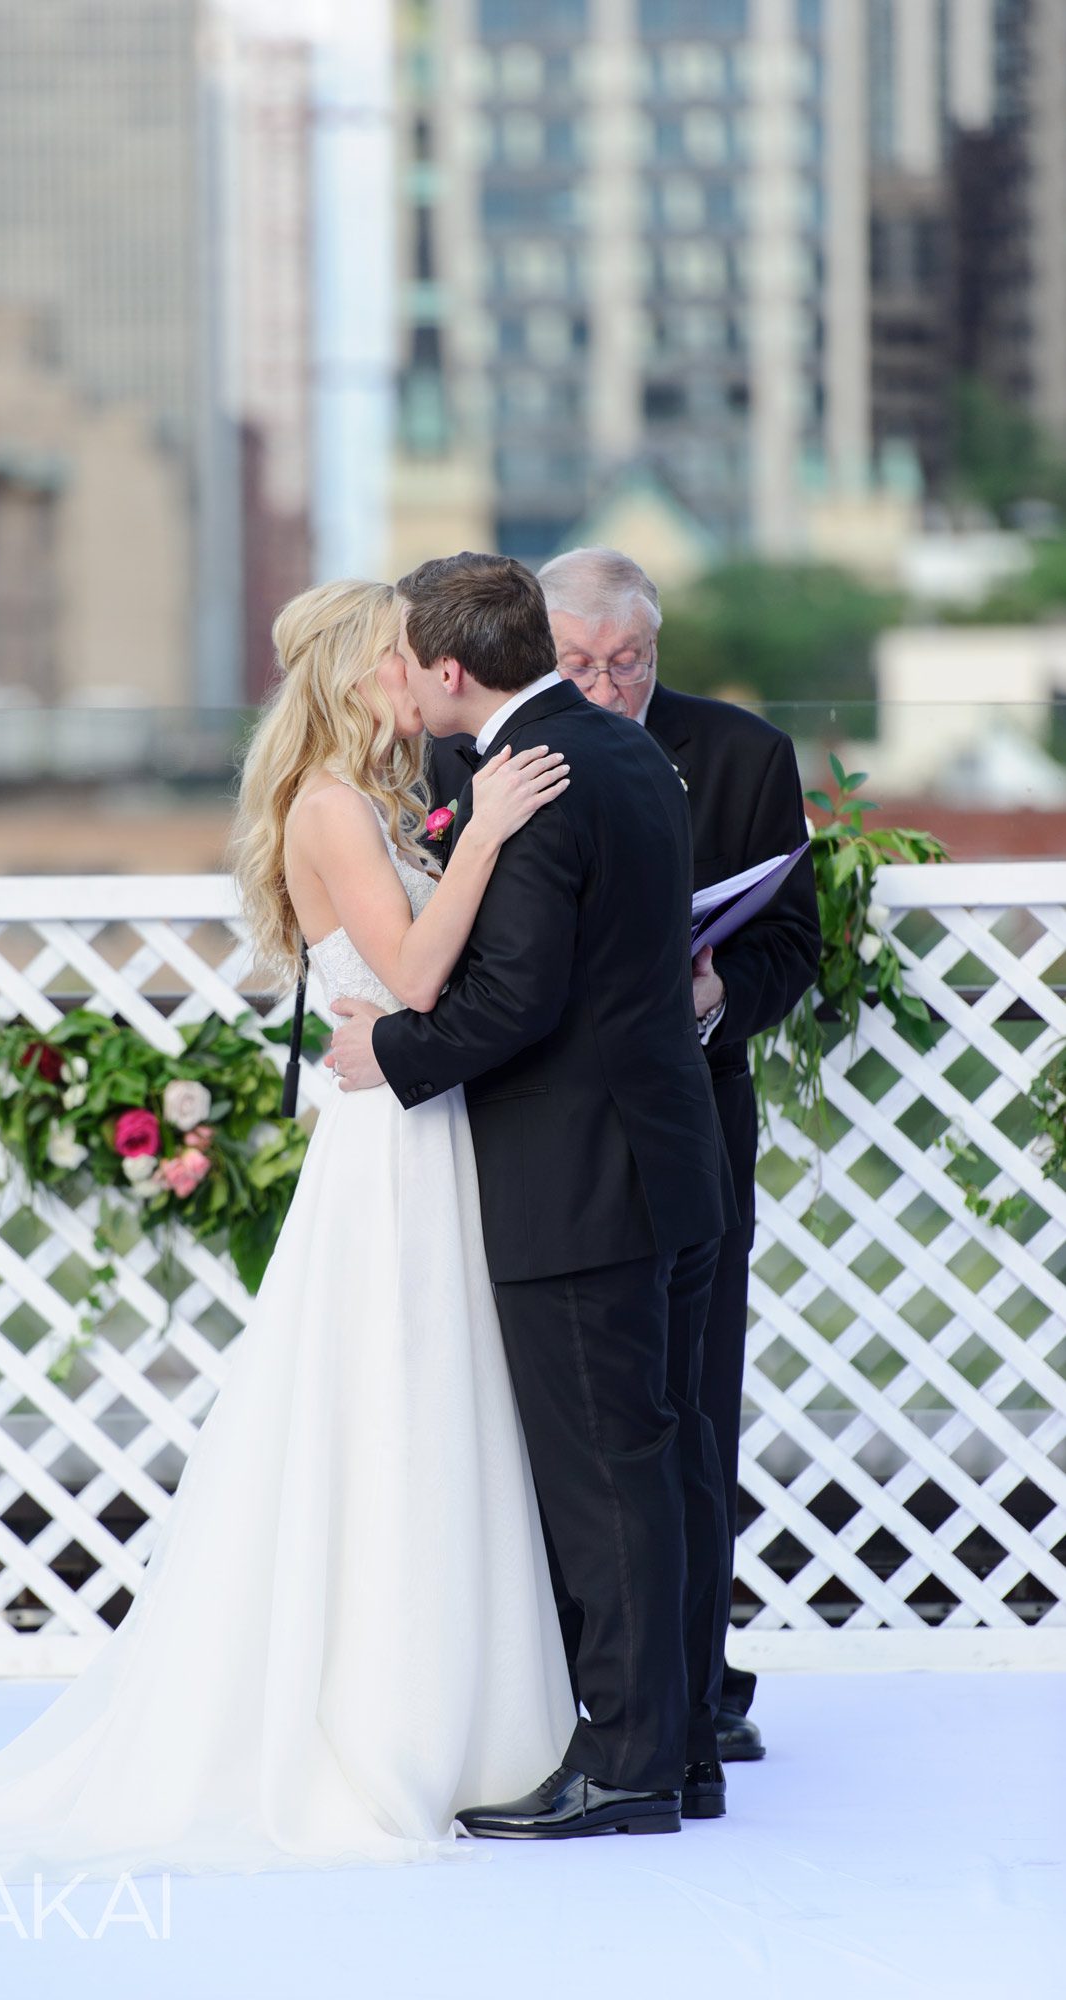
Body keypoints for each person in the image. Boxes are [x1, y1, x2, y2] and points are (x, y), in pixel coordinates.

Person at [0, 578, 579, 1884]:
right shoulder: (330, 807)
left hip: (415, 1123)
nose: (420, 675)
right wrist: (485, 841)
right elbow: (411, 978)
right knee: (387, 1406)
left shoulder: (380, 803)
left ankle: (456, 1714)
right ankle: (387, 1725)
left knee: (430, 1406)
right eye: (401, 656)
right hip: (387, 1147)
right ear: (365, 675)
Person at [329, 551, 736, 1837]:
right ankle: (676, 1753)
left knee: (607, 1474)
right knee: (663, 1461)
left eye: (409, 657)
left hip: (580, 1181)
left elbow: (515, 1000)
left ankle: (620, 1766)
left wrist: (379, 1053)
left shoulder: (540, 780)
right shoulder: (624, 752)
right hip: (666, 1160)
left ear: (450, 671)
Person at [535, 545, 822, 1760]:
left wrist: (713, 992)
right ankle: (572, 1685)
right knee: (575, 1419)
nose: (604, 688)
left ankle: (696, 1690)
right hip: (544, 1129)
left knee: (694, 1408)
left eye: (628, 663)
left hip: (692, 1118)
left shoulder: (743, 753)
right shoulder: (503, 750)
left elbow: (791, 941)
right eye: (578, 665)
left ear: (658, 649)